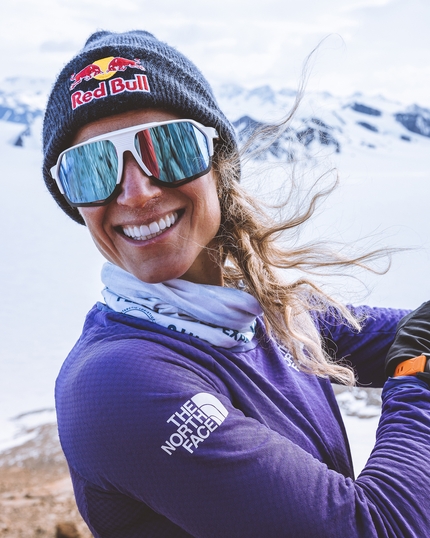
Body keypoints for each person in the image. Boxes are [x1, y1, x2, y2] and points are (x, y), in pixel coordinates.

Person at [42, 30, 430, 537]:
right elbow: (376, 528)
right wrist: (418, 377)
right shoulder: (117, 384)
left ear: (218, 164)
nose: (136, 193)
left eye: (168, 147)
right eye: (92, 169)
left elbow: (403, 331)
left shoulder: (253, 309)